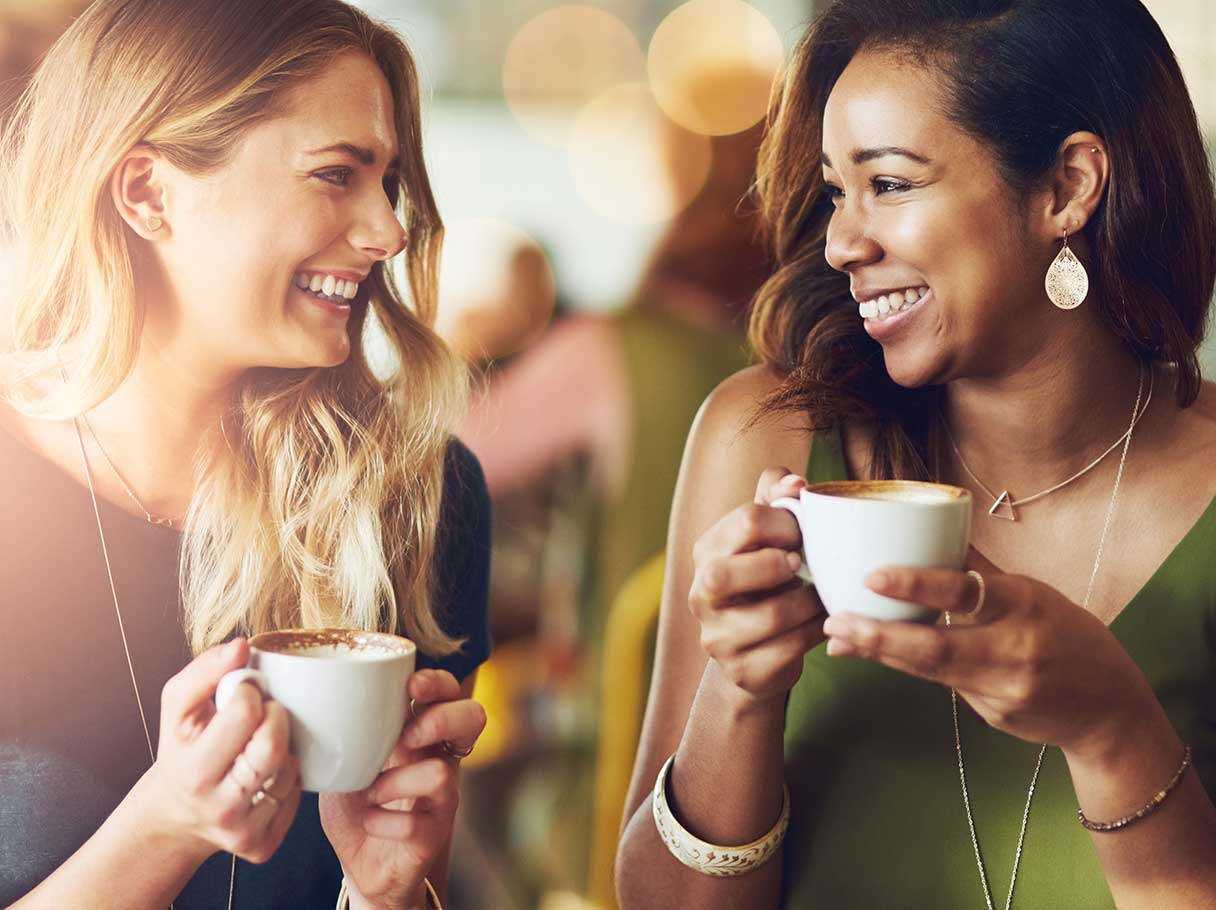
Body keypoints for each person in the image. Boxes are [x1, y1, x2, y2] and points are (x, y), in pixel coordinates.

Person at [617, 1, 1216, 908]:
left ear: (1066, 187)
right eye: (834, 192)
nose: (842, 242)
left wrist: (1114, 732)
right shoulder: (767, 438)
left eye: (889, 184)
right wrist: (738, 692)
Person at [0, 2, 490, 909]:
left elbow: (415, 889)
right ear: (147, 193)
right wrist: (163, 829)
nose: (386, 231)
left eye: (388, 183)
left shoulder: (416, 496)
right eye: (336, 175)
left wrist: (390, 892)